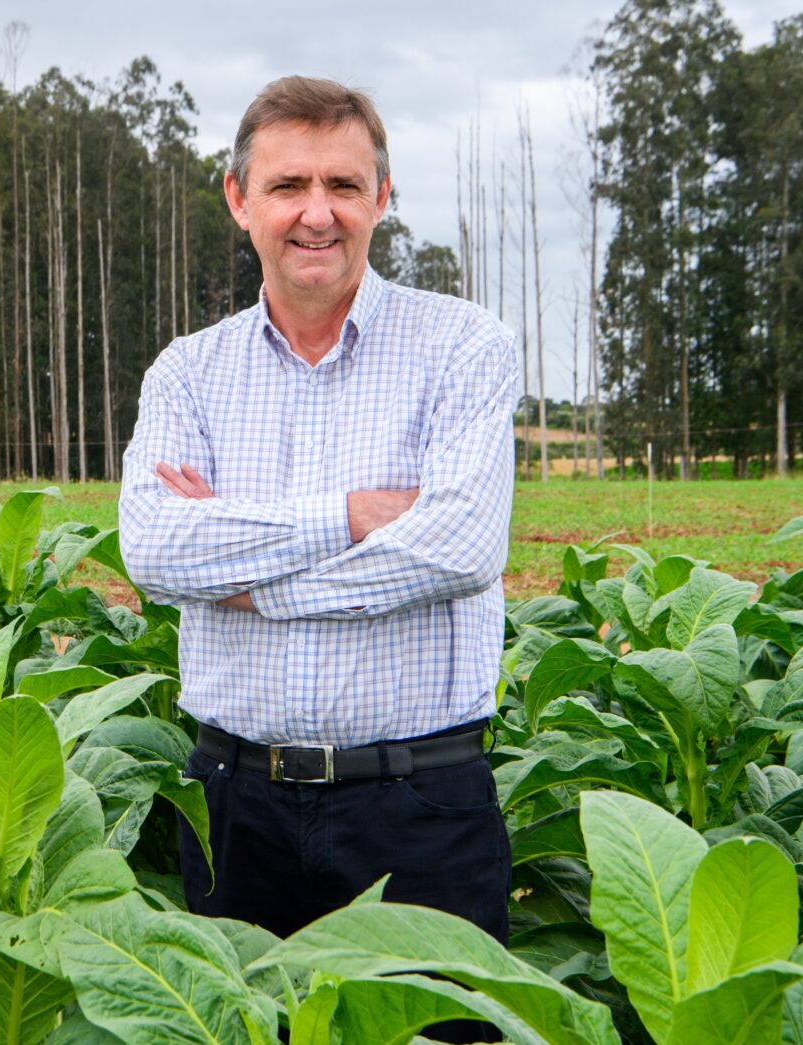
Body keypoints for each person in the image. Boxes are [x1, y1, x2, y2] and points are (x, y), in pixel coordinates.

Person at [117, 75, 517, 988]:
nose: (317, 214)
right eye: (289, 185)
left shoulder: (464, 346)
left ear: (382, 197)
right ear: (239, 199)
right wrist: (348, 516)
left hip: (417, 807)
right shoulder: (188, 374)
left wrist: (249, 577)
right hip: (234, 806)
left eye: (342, 185)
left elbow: (459, 545)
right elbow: (155, 551)